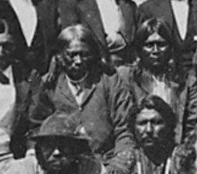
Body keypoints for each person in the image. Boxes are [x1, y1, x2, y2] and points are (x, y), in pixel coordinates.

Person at [24, 21, 123, 156]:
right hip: (63, 164)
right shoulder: (49, 85)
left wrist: (119, 165)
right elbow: (36, 127)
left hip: (106, 161)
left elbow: (124, 129)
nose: (78, 61)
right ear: (59, 56)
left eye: (84, 54)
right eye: (72, 54)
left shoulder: (109, 82)